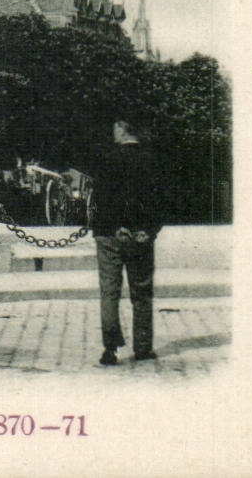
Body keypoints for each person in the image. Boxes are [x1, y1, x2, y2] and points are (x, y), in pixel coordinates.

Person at [92, 116, 163, 365]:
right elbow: (159, 200)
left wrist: (116, 225)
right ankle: (143, 348)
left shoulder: (106, 159)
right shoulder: (151, 159)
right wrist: (148, 229)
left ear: (122, 129)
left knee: (109, 292)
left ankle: (110, 349)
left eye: (115, 127)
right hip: (141, 236)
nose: (113, 132)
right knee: (142, 292)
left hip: (110, 235)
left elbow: (101, 199)